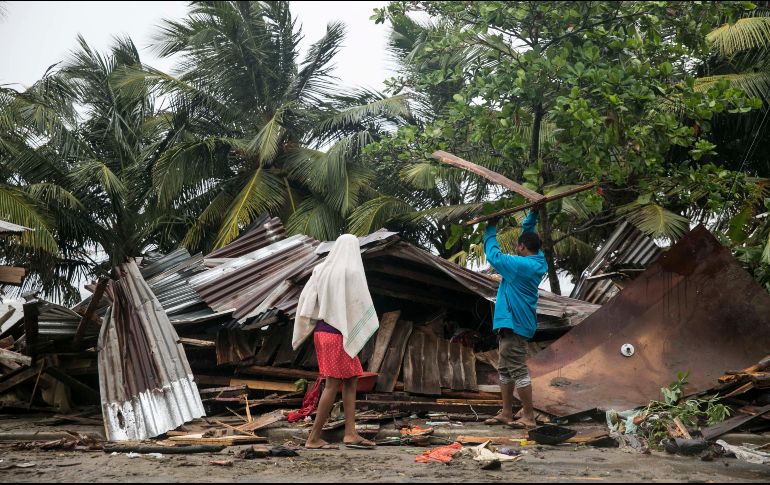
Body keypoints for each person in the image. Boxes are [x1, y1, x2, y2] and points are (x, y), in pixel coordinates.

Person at [292, 234, 380, 449]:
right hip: (339, 334)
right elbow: (358, 303)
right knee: (332, 384)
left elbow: (307, 300)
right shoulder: (352, 272)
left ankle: (350, 433)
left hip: (322, 333)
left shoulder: (321, 269)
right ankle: (313, 438)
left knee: (351, 380)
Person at [483, 211, 547, 429]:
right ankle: (507, 413)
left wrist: (490, 229)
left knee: (518, 370)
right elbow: (528, 234)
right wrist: (533, 214)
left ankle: (528, 416)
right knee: (504, 369)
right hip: (515, 324)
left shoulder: (520, 266)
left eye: (518, 246)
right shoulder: (538, 260)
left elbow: (494, 256)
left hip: (514, 325)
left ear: (521, 247)